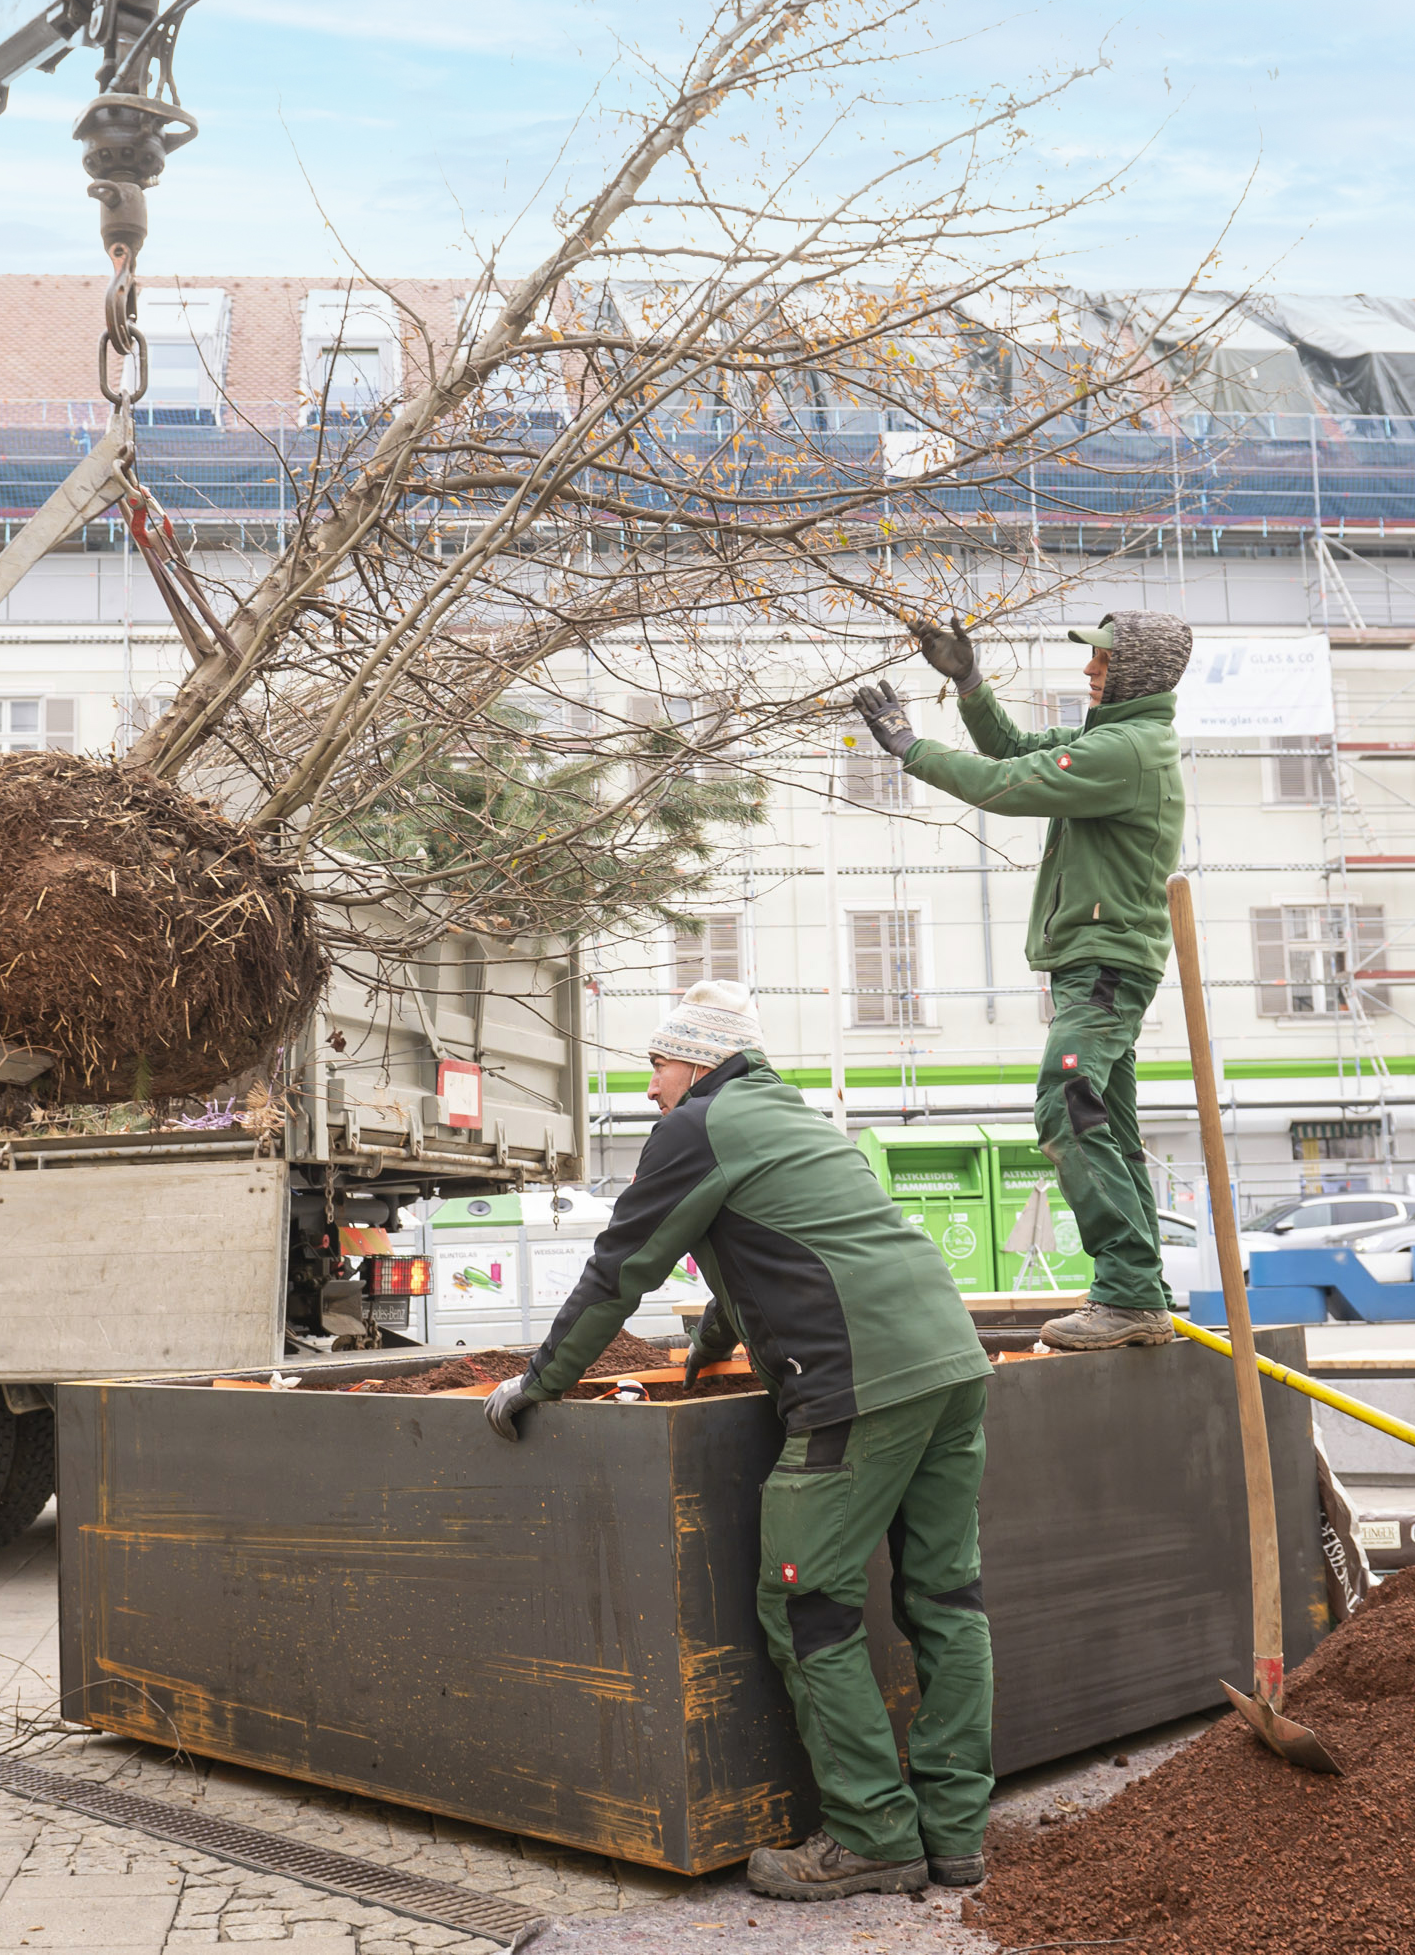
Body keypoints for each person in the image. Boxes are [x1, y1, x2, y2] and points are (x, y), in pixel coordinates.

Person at [481, 979, 994, 1902]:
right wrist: (710, 1346)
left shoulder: (696, 1127)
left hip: (856, 1386)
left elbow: (619, 1266)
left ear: (701, 1060)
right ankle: (956, 1836)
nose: (649, 1089)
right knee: (945, 1599)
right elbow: (784, 1256)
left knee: (808, 1604)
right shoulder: (792, 1121)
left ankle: (873, 1834)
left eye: (656, 1065)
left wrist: (541, 1380)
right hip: (950, 1363)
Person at [854, 609, 1190, 1351]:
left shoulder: (1128, 749)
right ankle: (1141, 1290)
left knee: (1066, 1105)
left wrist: (910, 747)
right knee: (1109, 1125)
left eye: (1102, 661)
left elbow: (1003, 783)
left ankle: (1130, 1294)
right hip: (1097, 967)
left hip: (1104, 966)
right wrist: (969, 685)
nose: (1088, 671)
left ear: (1135, 671)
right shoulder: (1114, 739)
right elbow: (1010, 748)